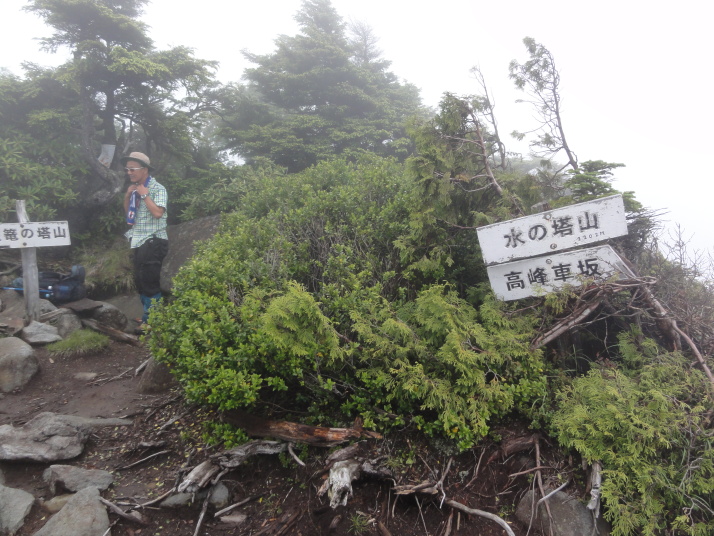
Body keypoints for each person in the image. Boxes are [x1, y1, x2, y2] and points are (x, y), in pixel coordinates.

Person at [121, 151, 168, 332]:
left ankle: (154, 321)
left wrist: (145, 195)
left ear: (144, 170)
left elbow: (158, 213)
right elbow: (128, 215)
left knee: (149, 280)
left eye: (132, 169)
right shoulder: (134, 188)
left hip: (153, 240)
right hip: (139, 239)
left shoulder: (157, 188)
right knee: (140, 280)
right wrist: (128, 196)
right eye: (127, 169)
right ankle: (148, 316)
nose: (129, 172)